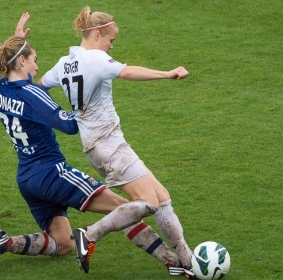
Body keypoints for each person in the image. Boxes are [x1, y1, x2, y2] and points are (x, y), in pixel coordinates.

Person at [0, 12, 186, 276]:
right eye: (33, 61)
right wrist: (83, 100)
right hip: (52, 173)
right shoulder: (31, 94)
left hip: (26, 178)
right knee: (124, 209)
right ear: (21, 61)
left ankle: (7, 243)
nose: (37, 68)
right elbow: (68, 125)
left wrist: (17, 40)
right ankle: (174, 262)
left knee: (62, 244)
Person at [38, 6, 197, 279]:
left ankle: (186, 260)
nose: (111, 47)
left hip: (99, 146)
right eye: (111, 40)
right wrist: (167, 74)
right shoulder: (95, 59)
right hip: (110, 146)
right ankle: (88, 235)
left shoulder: (65, 63)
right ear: (97, 34)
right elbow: (128, 72)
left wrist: (57, 114)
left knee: (161, 197)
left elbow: (38, 86)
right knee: (149, 203)